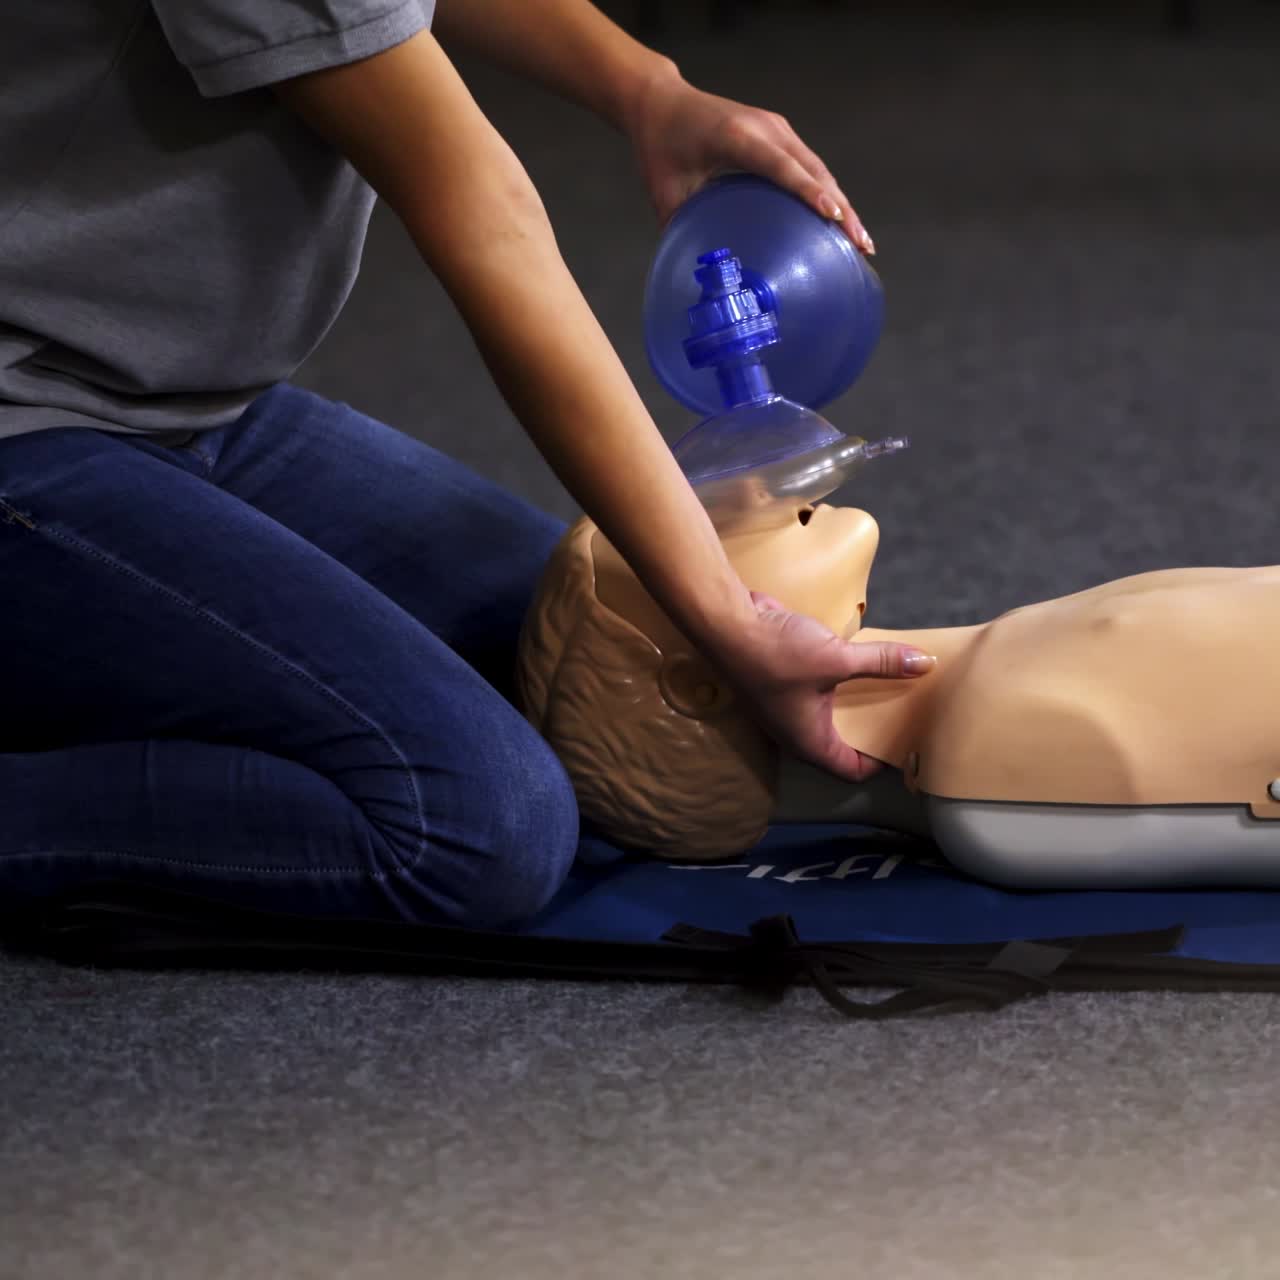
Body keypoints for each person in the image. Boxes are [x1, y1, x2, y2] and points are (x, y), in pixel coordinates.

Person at [0, 1, 932, 927]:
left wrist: (649, 90)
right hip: (27, 430)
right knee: (479, 826)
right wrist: (727, 618)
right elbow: (486, 218)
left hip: (196, 408)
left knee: (609, 668)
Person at [519, 497, 1280, 888]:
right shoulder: (998, 761)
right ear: (698, 686)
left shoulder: (995, 693)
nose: (745, 491)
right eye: (691, 541)